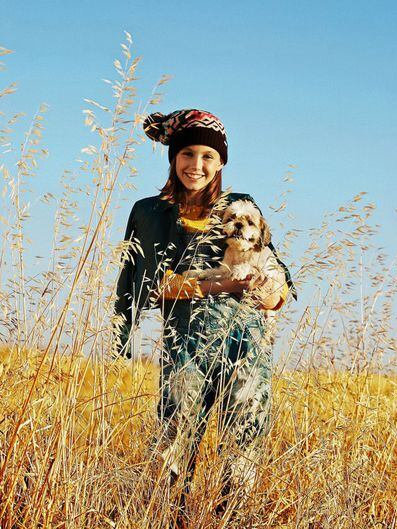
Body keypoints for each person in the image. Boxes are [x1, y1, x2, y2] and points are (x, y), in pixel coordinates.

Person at [113, 109, 296, 520]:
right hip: (186, 346)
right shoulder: (150, 212)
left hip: (247, 346)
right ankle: (167, 518)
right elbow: (154, 285)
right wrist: (229, 284)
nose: (196, 165)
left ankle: (231, 519)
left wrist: (271, 293)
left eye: (208, 156)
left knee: (244, 441)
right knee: (173, 440)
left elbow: (279, 276)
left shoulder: (240, 207)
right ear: (172, 158)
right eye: (187, 154)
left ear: (221, 163)